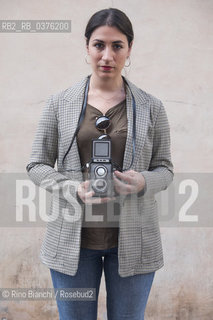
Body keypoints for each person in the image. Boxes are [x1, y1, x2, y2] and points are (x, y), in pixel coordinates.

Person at [26, 8, 173, 320]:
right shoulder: (59, 104)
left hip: (133, 242)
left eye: (117, 45)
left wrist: (144, 181)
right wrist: (71, 187)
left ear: (129, 49)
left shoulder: (152, 107)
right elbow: (37, 165)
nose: (107, 55)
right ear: (87, 47)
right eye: (99, 45)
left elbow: (165, 169)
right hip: (73, 243)